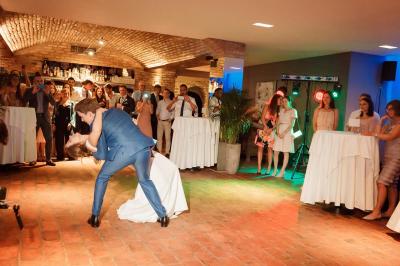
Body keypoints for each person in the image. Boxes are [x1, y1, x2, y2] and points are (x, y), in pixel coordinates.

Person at [65, 99, 170, 227]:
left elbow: (102, 154)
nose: (81, 120)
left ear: (90, 114)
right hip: (144, 147)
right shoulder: (114, 110)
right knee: (145, 181)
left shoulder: (96, 126)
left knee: (102, 177)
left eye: (81, 116)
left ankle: (94, 216)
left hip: (125, 151)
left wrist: (106, 151)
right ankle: (163, 216)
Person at [363, 100, 400, 220]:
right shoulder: (389, 123)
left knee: (382, 182)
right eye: (387, 109)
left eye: (390, 109)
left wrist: (373, 134)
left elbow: (390, 136)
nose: (387, 111)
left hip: (396, 158)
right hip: (388, 157)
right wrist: (381, 121)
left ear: (397, 110)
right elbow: (380, 134)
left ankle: (377, 211)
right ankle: (390, 211)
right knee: (392, 185)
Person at [23, 73, 56, 166]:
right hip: (33, 117)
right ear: (33, 82)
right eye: (37, 81)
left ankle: (48, 159)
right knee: (32, 139)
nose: (39, 83)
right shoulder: (29, 90)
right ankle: (32, 159)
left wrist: (47, 93)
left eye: (41, 81)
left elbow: (53, 103)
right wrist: (32, 92)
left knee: (49, 138)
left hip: (45, 117)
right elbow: (24, 101)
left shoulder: (47, 90)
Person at [256, 94, 282, 174]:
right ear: (275, 99)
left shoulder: (279, 110)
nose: (280, 101)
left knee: (270, 149)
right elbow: (262, 117)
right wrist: (266, 127)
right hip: (263, 129)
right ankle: (259, 168)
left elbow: (277, 122)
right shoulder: (267, 106)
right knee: (260, 148)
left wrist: (271, 129)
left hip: (271, 131)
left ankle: (269, 168)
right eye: (279, 100)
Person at [272, 96, 297, 178]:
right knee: (276, 151)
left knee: (285, 152)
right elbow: (278, 122)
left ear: (290, 101)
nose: (284, 102)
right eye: (283, 101)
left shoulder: (293, 111)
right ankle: (275, 169)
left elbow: (292, 125)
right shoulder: (281, 110)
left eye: (286, 101)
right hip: (280, 131)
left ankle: (282, 171)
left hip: (288, 132)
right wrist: (278, 131)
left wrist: (284, 133)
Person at [54, 88, 72, 161]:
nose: (66, 94)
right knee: (59, 140)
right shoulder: (57, 103)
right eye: (64, 93)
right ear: (61, 94)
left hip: (68, 124)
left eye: (67, 93)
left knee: (70, 140)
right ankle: (60, 156)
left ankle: (70, 155)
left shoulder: (71, 104)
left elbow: (73, 115)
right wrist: (53, 123)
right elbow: (53, 114)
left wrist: (71, 123)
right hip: (59, 124)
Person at [156, 89, 173, 156]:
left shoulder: (171, 102)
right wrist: (157, 117)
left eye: (167, 93)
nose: (165, 94)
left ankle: (167, 152)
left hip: (167, 122)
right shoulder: (160, 102)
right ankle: (159, 151)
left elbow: (173, 112)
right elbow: (157, 111)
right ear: (162, 94)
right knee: (159, 137)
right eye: (164, 93)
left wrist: (170, 119)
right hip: (160, 122)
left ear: (169, 94)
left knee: (167, 137)